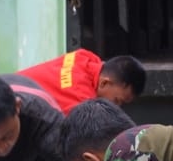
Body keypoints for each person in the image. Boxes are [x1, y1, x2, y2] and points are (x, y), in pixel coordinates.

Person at [17, 49, 147, 114]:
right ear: (104, 83)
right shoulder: (82, 101)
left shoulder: (84, 57)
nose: (116, 107)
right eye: (117, 100)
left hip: (3, 83)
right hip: (5, 107)